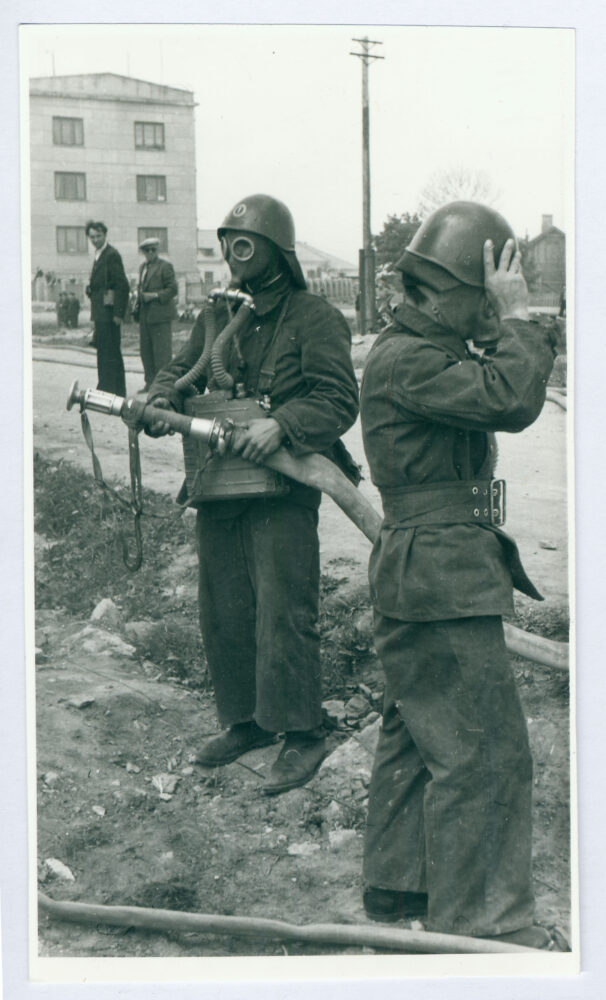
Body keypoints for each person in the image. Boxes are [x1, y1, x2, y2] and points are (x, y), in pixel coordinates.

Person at [359, 201, 557, 947]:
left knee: (420, 731)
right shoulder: (411, 360)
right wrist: (521, 320)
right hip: (439, 577)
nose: (493, 309)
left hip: (430, 570)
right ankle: (486, 923)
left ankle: (399, 883)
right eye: (487, 296)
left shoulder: (421, 351)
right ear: (454, 293)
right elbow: (511, 399)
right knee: (486, 752)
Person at [146, 194, 359, 795]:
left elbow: (339, 399)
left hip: (283, 487)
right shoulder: (217, 315)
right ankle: (247, 722)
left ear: (276, 250)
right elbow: (180, 370)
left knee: (284, 610)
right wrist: (160, 399)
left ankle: (303, 732)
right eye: (228, 244)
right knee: (224, 608)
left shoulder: (314, 316)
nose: (234, 256)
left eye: (245, 244)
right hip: (220, 482)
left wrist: (283, 424)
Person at [85, 221, 130, 396]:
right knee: (104, 351)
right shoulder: (99, 254)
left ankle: (111, 390)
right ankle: (110, 388)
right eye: (92, 237)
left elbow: (122, 285)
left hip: (109, 314)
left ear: (105, 235)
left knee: (110, 352)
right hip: (101, 312)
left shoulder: (111, 255)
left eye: (98, 236)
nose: (95, 240)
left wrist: (118, 314)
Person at [135, 237, 178, 391]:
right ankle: (150, 382)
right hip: (145, 316)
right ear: (143, 252)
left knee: (162, 353)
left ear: (158, 250)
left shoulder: (165, 266)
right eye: (147, 250)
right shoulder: (142, 268)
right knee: (146, 351)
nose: (151, 253)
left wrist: (154, 296)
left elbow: (173, 289)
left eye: (153, 249)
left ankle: (163, 385)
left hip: (161, 316)